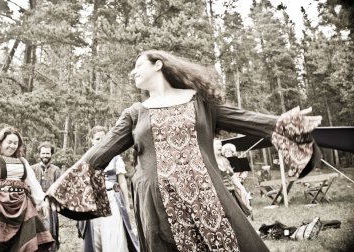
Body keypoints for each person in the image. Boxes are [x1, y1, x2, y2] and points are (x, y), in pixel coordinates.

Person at [46, 50, 322, 252]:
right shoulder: (135, 113)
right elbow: (101, 152)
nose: (133, 72)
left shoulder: (199, 103)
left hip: (206, 195)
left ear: (158, 64)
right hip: (157, 204)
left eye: (138, 65)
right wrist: (64, 185)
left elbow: (246, 119)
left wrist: (284, 123)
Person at [77, 126, 138, 252]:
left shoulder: (115, 157)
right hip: (94, 202)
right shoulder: (87, 158)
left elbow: (121, 182)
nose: (100, 141)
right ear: (91, 140)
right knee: (96, 234)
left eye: (103, 138)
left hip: (112, 200)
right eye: (97, 138)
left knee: (113, 231)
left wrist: (127, 204)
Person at [31, 142, 62, 252]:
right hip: (35, 206)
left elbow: (60, 189)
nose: (45, 155)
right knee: (34, 232)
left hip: (50, 207)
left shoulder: (56, 170)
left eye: (47, 153)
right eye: (43, 153)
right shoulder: (32, 169)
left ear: (51, 154)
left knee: (50, 231)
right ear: (39, 154)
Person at [214, 139, 252, 216]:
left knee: (237, 216)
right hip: (220, 195)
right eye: (217, 144)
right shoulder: (210, 160)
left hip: (232, 193)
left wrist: (242, 188)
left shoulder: (225, 160)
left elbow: (232, 176)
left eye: (220, 144)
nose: (220, 146)